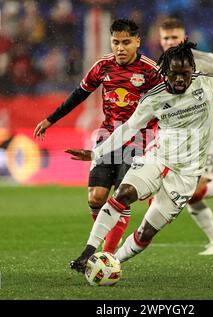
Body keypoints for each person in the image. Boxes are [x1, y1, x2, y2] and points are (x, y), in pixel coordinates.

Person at [66, 40, 213, 272]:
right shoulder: (153, 98)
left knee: (146, 232)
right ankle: (88, 252)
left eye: (185, 73)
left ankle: (112, 263)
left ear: (192, 70)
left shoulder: (207, 83)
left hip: (187, 173)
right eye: (174, 74)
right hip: (158, 157)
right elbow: (127, 129)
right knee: (124, 194)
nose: (180, 79)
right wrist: (97, 153)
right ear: (165, 72)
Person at [34, 19, 162, 252]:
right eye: (115, 42)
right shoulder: (103, 66)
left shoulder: (151, 71)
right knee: (96, 197)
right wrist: (50, 119)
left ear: (137, 42)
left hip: (138, 139)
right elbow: (78, 95)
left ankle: (107, 254)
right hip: (107, 136)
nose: (120, 48)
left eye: (126, 42)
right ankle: (109, 235)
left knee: (121, 197)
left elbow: (167, 106)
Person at [159, 18, 213, 255]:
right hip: (181, 138)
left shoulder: (206, 60)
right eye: (165, 38)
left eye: (174, 37)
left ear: (184, 38)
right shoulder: (159, 66)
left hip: (210, 133)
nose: (169, 42)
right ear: (159, 39)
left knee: (195, 191)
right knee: (190, 195)